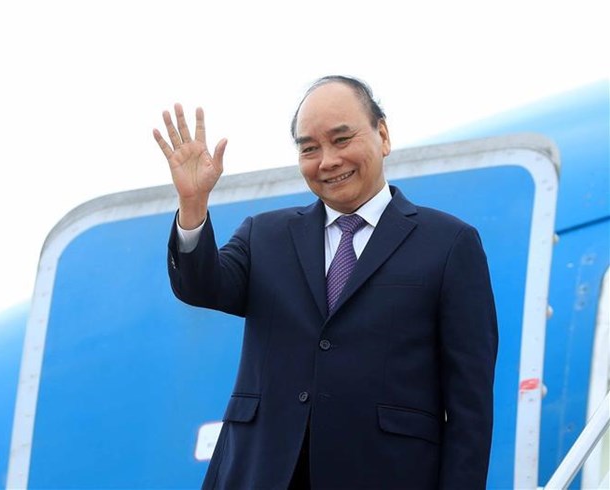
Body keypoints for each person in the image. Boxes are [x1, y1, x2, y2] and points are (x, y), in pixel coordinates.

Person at [153, 75, 498, 489]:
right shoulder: (264, 235)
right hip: (262, 472)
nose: (328, 160)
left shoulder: (449, 244)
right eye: (309, 148)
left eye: (341, 139)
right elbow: (199, 286)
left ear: (382, 135)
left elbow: (470, 407)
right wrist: (193, 204)